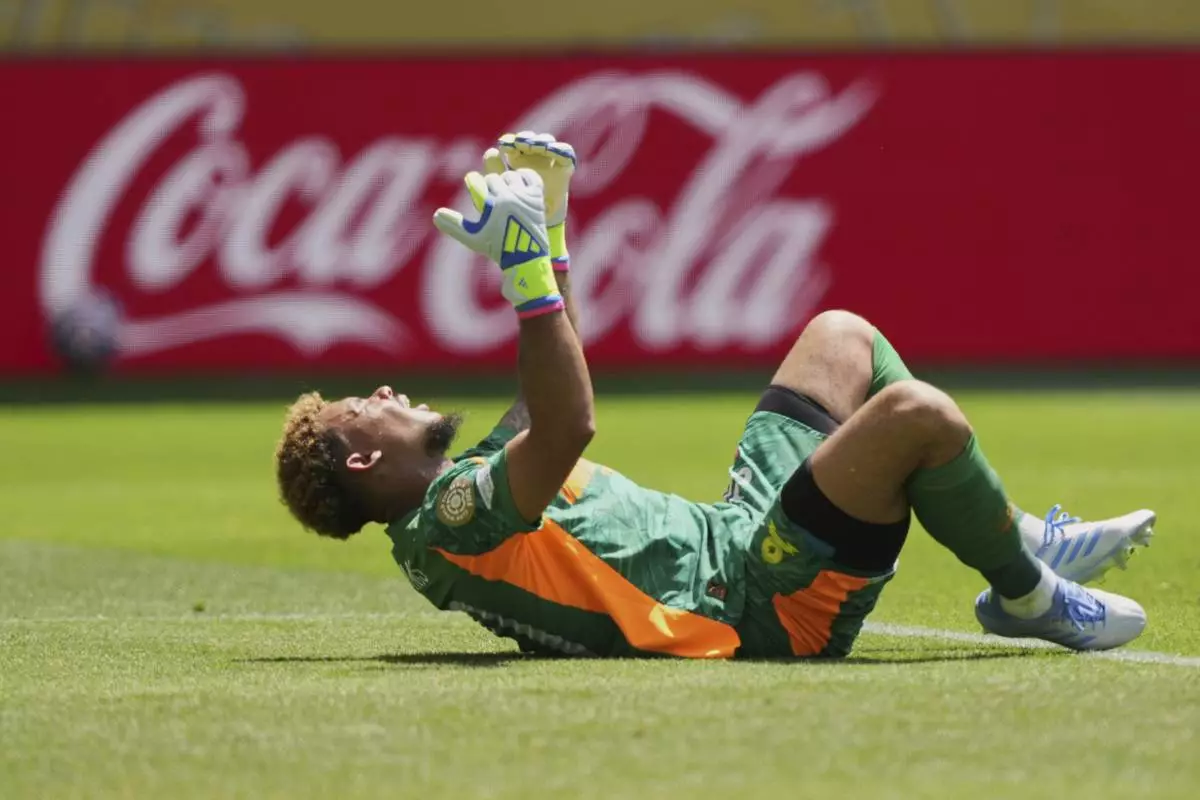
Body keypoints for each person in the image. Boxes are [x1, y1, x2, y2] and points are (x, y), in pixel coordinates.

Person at [274, 133, 1155, 658]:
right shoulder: (451, 522)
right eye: (365, 403)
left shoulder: (463, 492)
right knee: (918, 415)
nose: (385, 390)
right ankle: (1026, 597)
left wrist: (549, 235)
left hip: (741, 533)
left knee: (840, 334)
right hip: (759, 602)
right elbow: (571, 424)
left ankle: (1021, 536)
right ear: (362, 458)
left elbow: (551, 400)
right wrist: (524, 276)